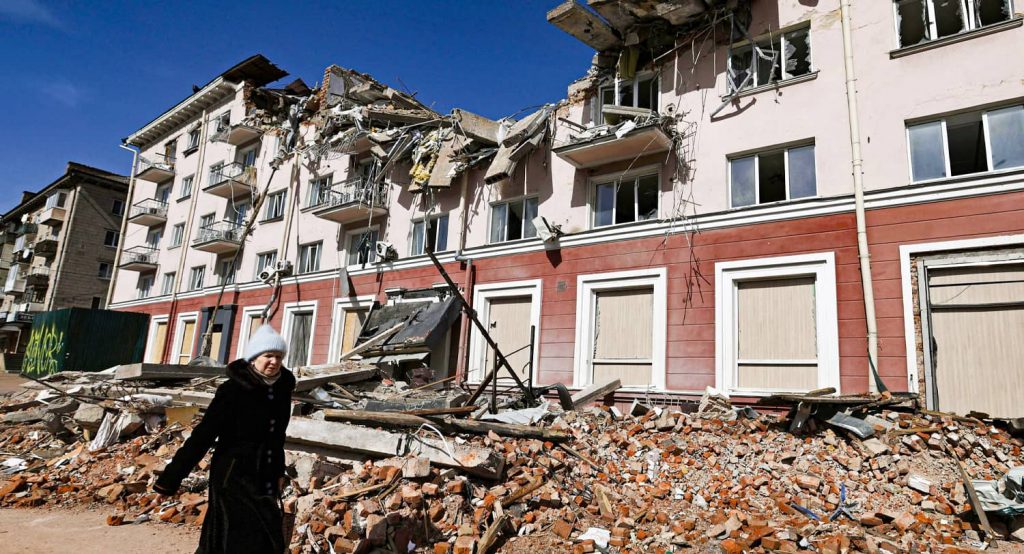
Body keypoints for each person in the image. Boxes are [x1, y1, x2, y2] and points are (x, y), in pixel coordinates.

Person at [154, 324, 296, 553]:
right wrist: (170, 480)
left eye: (279, 356)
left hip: (265, 475)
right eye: (268, 355)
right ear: (253, 358)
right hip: (233, 474)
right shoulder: (233, 390)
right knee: (232, 537)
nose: (274, 361)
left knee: (267, 535)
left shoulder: (282, 389)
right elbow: (203, 435)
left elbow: (277, 437)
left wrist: (278, 471)